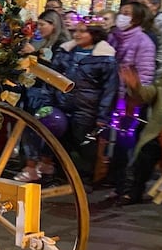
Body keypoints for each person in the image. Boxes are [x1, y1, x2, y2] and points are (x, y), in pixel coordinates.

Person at [46, 23, 118, 187]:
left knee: (84, 142)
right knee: (62, 141)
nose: (77, 35)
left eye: (83, 32)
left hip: (87, 108)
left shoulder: (105, 58)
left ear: (94, 34)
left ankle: (87, 177)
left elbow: (110, 89)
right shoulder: (65, 52)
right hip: (63, 105)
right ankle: (63, 175)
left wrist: (103, 115)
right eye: (75, 31)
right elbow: (53, 76)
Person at [14, 10, 70, 182]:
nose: (39, 28)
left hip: (47, 94)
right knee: (33, 129)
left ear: (53, 25)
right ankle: (40, 165)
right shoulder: (41, 42)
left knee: (36, 129)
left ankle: (35, 166)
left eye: (42, 24)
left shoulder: (61, 45)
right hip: (35, 91)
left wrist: (33, 56)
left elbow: (56, 70)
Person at [107, 1, 156, 194]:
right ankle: (111, 177)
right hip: (111, 94)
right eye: (121, 12)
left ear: (136, 18)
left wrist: (133, 96)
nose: (122, 16)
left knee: (124, 140)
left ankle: (124, 184)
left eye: (126, 13)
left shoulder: (144, 42)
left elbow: (144, 75)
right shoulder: (114, 37)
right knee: (110, 138)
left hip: (128, 100)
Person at [116, 66, 162, 205]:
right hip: (159, 133)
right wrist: (135, 86)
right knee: (144, 155)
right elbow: (143, 95)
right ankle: (133, 192)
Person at [137, 0, 162, 78]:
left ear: (155, 5)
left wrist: (156, 64)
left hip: (160, 70)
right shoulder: (144, 21)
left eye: (143, 4)